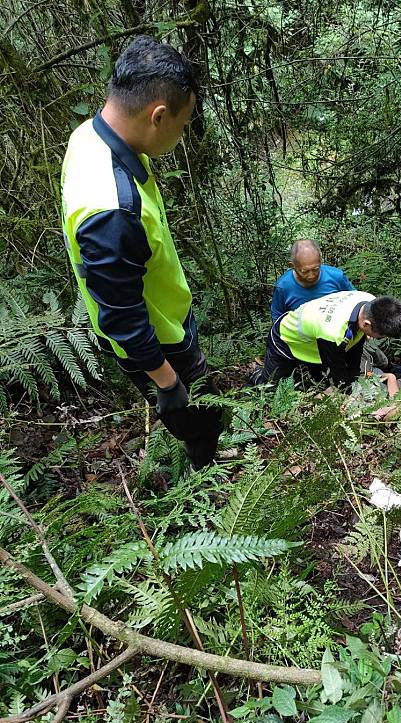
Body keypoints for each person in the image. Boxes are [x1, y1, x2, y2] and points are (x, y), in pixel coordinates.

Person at [61, 36, 223, 469]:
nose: (182, 134)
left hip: (164, 315)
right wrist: (168, 383)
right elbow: (120, 313)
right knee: (205, 417)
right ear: (158, 115)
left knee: (203, 412)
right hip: (160, 340)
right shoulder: (113, 209)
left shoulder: (93, 136)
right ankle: (207, 492)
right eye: (183, 123)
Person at [257, 290, 401, 388]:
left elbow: (356, 344)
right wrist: (348, 389)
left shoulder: (369, 302)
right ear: (367, 324)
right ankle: (254, 382)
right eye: (381, 335)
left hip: (316, 342)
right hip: (286, 339)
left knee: (319, 382)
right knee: (269, 386)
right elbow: (337, 372)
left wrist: (354, 375)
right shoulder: (333, 331)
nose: (379, 338)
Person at [271, 239, 355, 321]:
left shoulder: (337, 277)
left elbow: (356, 300)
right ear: (292, 266)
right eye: (305, 271)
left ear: (320, 262)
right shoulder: (283, 287)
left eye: (315, 269)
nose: (311, 275)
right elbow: (277, 318)